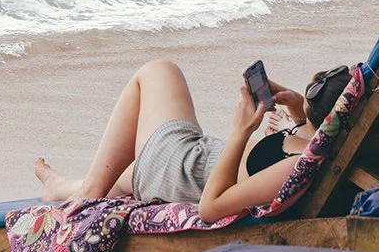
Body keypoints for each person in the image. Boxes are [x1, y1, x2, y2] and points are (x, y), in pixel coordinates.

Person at [33, 59, 352, 220]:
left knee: (156, 71)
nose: (313, 86)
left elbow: (210, 208)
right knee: (118, 178)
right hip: (195, 157)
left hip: (179, 170)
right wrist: (298, 109)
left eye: (318, 87)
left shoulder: (294, 168)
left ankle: (88, 193)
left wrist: (241, 132)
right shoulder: (321, 148)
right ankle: (61, 186)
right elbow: (310, 142)